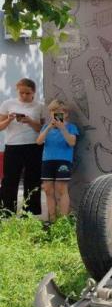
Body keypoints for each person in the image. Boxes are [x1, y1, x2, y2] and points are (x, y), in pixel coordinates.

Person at [0, 78, 45, 215]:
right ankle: (7, 211)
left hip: (34, 145)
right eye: (21, 93)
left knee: (33, 178)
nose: (24, 96)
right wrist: (9, 119)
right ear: (17, 92)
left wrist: (30, 121)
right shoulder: (8, 104)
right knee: (10, 179)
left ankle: (31, 211)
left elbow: (42, 129)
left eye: (28, 93)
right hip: (13, 145)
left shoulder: (40, 106)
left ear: (34, 92)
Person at [36, 100, 79, 222]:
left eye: (60, 112)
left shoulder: (71, 127)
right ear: (50, 113)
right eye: (53, 111)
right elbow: (39, 141)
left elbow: (72, 142)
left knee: (61, 189)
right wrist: (49, 127)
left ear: (66, 114)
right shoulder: (46, 127)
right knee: (48, 189)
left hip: (63, 161)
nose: (56, 114)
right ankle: (52, 219)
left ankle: (63, 221)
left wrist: (62, 128)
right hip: (47, 160)